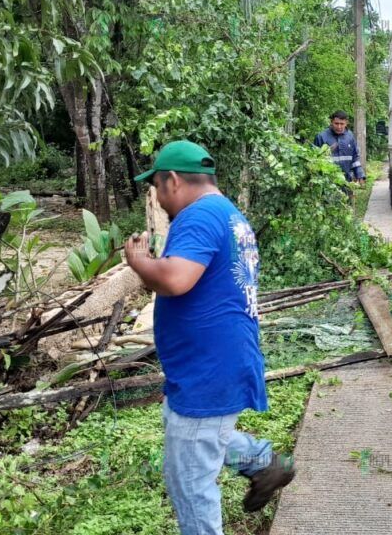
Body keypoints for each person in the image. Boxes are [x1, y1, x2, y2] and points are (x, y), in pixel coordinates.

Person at [125, 140, 295, 535]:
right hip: (212, 361)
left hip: (210, 367)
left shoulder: (198, 216)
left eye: (157, 188)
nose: (159, 200)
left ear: (171, 181)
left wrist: (140, 263)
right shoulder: (228, 213)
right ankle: (266, 463)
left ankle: (264, 463)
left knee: (188, 481)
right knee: (194, 433)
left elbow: (174, 279)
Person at [314, 111, 366, 186]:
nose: (339, 127)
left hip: (347, 183)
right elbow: (315, 161)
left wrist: (360, 175)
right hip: (328, 183)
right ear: (331, 122)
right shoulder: (321, 137)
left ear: (346, 123)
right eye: (336, 123)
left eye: (342, 124)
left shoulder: (350, 137)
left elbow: (355, 158)